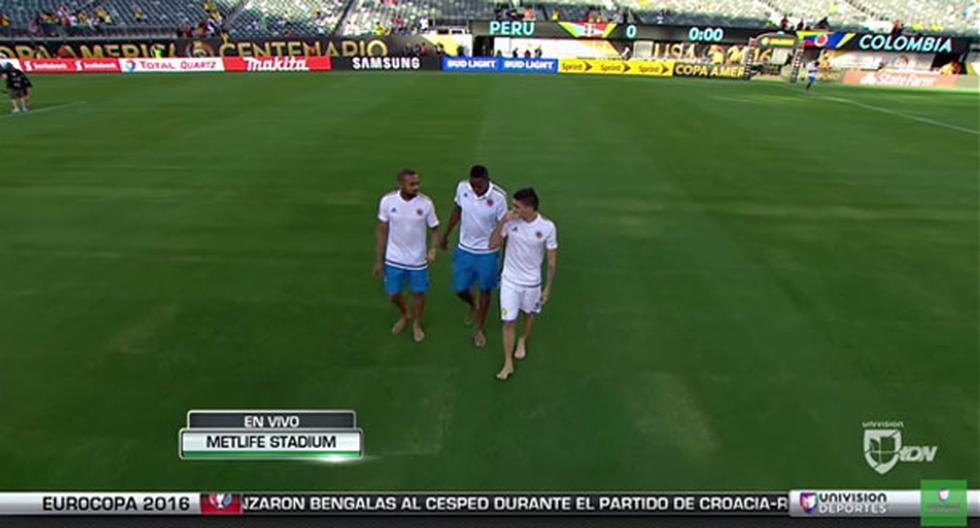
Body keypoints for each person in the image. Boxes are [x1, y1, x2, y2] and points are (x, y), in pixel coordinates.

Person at [488, 188, 557, 381]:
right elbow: (492, 244)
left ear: (529, 207)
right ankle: (507, 362)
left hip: (532, 283)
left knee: (528, 315)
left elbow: (551, 262)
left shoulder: (547, 227)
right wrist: (503, 221)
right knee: (508, 321)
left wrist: (548, 288)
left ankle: (522, 340)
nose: (513, 209)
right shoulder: (510, 223)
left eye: (517, 207)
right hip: (510, 280)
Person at [440, 165, 507, 348]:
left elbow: (503, 228)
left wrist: (505, 258)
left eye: (478, 186)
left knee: (485, 289)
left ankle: (479, 328)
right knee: (459, 288)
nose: (475, 189)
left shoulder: (499, 197)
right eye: (473, 185)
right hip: (465, 249)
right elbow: (457, 211)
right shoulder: (463, 188)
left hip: (487, 253)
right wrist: (446, 235)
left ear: (487, 180)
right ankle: (473, 304)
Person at [374, 169, 441, 343]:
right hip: (393, 258)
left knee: (418, 294)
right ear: (401, 184)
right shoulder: (388, 201)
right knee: (393, 294)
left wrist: (433, 249)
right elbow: (381, 230)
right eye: (412, 184)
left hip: (417, 260)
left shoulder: (426, 203)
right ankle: (405, 313)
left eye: (417, 183)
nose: (416, 187)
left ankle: (416, 324)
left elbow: (435, 229)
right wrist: (378, 260)